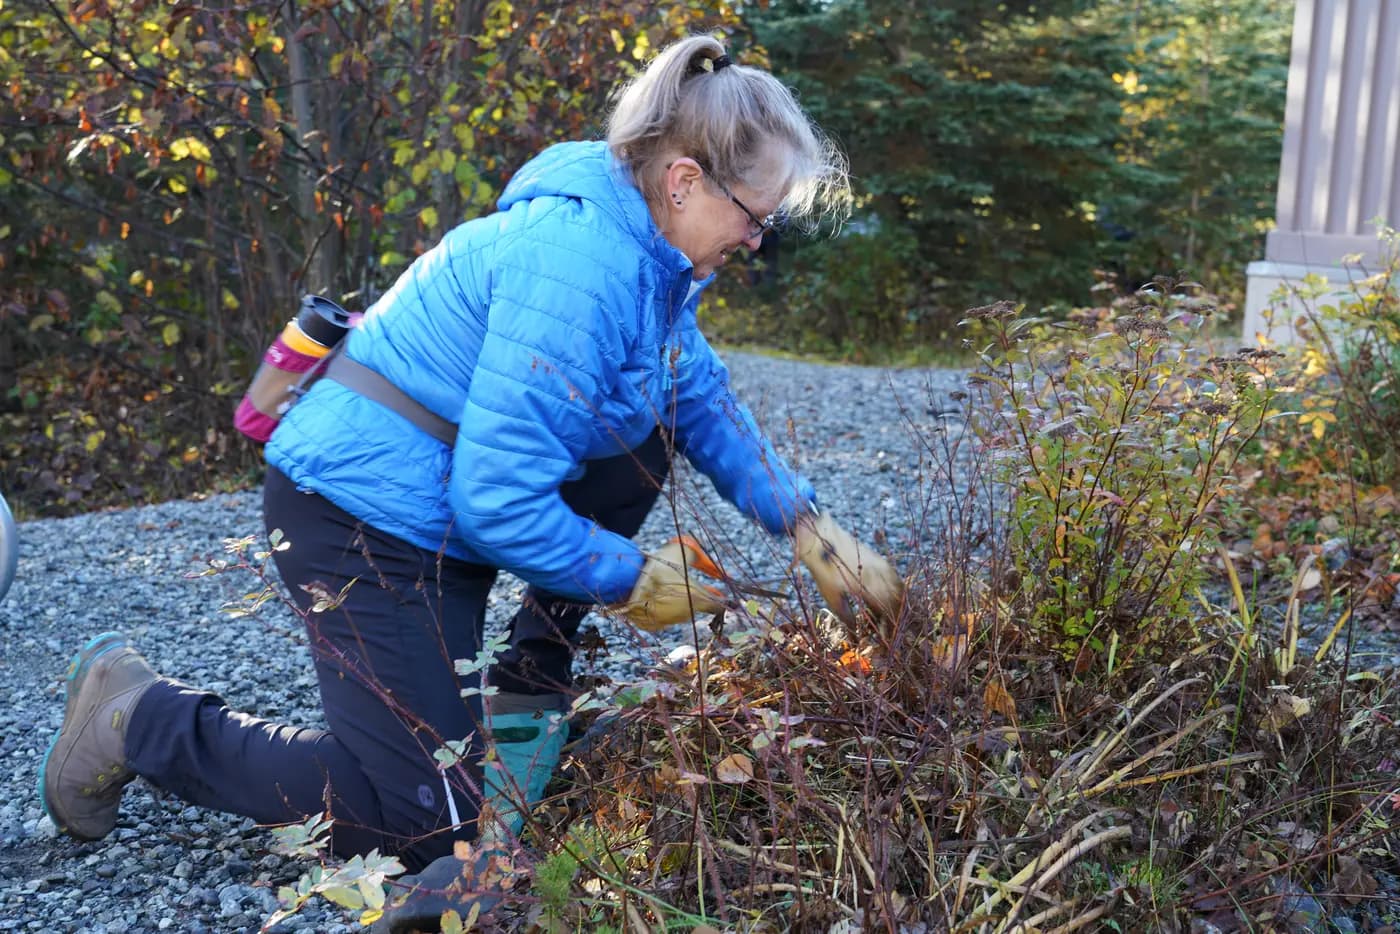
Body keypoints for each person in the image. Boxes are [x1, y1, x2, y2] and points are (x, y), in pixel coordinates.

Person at [39, 35, 901, 931]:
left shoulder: (652, 264)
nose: (758, 239)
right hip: (356, 520)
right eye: (754, 215)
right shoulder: (578, 267)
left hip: (436, 523)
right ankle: (136, 717)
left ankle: (530, 687)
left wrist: (805, 525)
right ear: (684, 181)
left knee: (646, 430)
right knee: (419, 829)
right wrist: (627, 577)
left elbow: (700, 397)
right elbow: (495, 499)